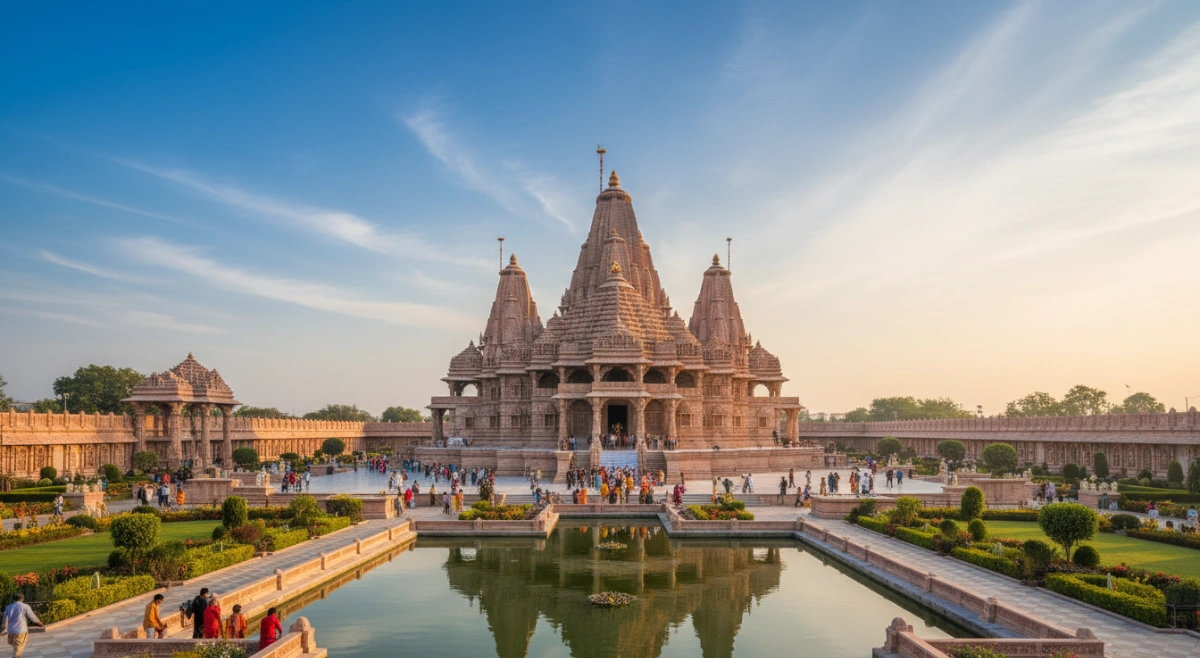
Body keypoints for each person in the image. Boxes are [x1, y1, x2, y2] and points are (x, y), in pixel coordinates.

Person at [2, 593, 44, 658]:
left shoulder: (8, 607)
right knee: (19, 648)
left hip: (11, 631)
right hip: (21, 630)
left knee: (16, 647)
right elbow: (31, 616)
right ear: (22, 598)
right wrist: (38, 622)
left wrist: (3, 627)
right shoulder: (25, 606)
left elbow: (4, 619)